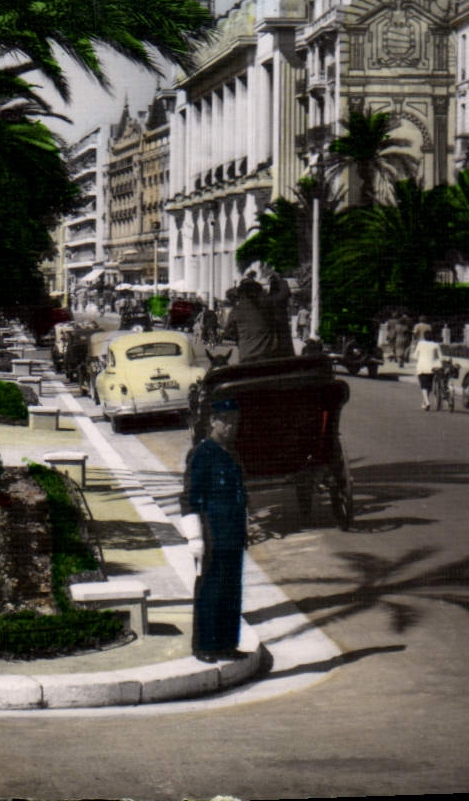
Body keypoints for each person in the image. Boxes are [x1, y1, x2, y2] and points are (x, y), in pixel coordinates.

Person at [182, 397, 248, 661]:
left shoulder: (232, 453)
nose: (231, 427)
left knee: (231, 590)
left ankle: (227, 644)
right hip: (211, 533)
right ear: (213, 421)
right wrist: (195, 537)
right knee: (210, 589)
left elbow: (240, 495)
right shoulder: (202, 453)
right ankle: (204, 646)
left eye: (235, 421)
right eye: (226, 421)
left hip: (233, 533)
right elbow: (190, 497)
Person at [224, 271, 295, 364]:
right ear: (258, 292)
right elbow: (283, 294)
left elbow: (228, 333)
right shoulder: (267, 306)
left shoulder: (235, 311)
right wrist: (280, 280)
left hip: (246, 358)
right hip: (267, 358)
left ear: (241, 294)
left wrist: (242, 338)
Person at [413, 326, 444, 410]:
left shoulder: (420, 344)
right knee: (429, 386)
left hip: (422, 367)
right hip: (432, 367)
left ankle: (426, 402)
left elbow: (415, 356)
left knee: (423, 385)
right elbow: (441, 357)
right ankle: (425, 402)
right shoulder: (436, 345)